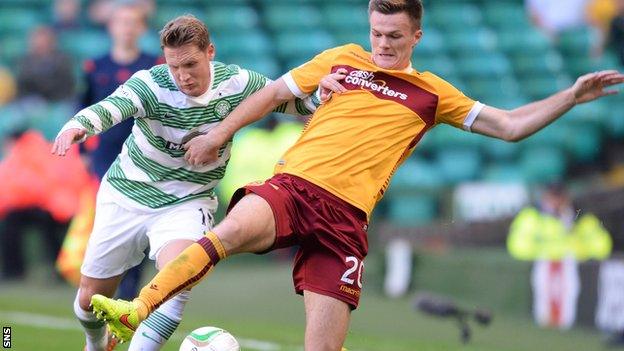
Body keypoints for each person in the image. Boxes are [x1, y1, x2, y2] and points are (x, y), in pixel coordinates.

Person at [91, 1, 624, 350]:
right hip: (294, 186)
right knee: (225, 233)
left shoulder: (433, 93)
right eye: (376, 32)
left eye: (394, 35)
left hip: (346, 220)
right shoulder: (341, 59)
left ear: (416, 33)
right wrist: (218, 133)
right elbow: (273, 94)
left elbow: (508, 126)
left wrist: (571, 97)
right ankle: (137, 308)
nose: (382, 44)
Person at [52, 15, 331, 351]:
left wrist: (322, 97)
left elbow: (289, 101)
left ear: (210, 52)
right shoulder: (151, 84)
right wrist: (78, 125)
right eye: (174, 67)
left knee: (177, 281)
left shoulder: (237, 84)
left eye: (190, 64)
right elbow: (112, 106)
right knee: (89, 300)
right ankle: (96, 345)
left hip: (188, 201)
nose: (183, 76)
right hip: (126, 194)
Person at [80, 0, 163, 300]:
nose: (127, 28)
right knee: (112, 221)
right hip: (106, 156)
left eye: (133, 23)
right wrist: (83, 154)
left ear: (141, 28)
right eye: (121, 22)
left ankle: (128, 294)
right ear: (112, 27)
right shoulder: (95, 66)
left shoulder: (154, 65)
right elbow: (85, 108)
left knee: (139, 221)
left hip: (145, 155)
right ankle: (99, 289)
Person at [16, 25, 75, 102]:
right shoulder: (25, 61)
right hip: (32, 101)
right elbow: (23, 86)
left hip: (59, 100)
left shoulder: (63, 60)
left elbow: (66, 86)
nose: (40, 44)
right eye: (36, 40)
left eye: (43, 40)